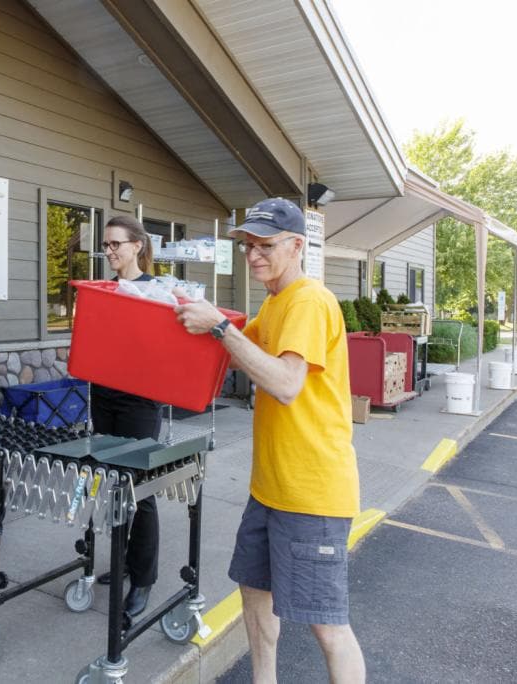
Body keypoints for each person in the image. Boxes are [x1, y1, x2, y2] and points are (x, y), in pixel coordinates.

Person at [175, 198, 365, 682]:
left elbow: (284, 383)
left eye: (265, 245)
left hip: (312, 491)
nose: (254, 255)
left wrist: (217, 327)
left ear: (297, 245)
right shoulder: (277, 302)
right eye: (248, 246)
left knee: (326, 624)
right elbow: (237, 352)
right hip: (270, 488)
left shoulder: (308, 300)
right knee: (255, 592)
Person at [90, 215, 162, 618]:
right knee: (113, 486)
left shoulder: (157, 292)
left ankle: (143, 577)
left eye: (116, 243)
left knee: (139, 489)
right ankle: (120, 563)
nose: (110, 251)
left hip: (138, 402)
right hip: (103, 395)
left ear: (138, 245)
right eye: (107, 244)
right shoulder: (105, 290)